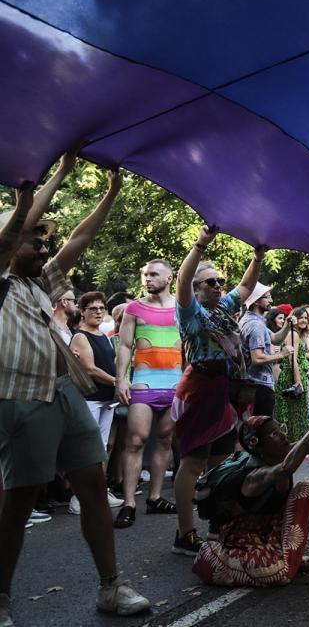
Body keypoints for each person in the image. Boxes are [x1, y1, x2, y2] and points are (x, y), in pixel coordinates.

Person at [0, 156, 150, 622]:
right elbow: (9, 235)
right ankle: (0, 599)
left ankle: (111, 587)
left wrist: (110, 192)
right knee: (20, 501)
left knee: (91, 484)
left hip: (64, 391)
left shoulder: (39, 282)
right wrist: (54, 176)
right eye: (35, 240)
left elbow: (78, 241)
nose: (45, 249)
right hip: (19, 397)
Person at [192, 391, 309, 587]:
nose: (283, 435)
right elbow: (286, 468)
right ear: (257, 445)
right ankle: (215, 554)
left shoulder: (282, 454)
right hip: (242, 542)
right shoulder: (256, 475)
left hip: (268, 534)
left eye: (280, 429)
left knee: (305, 489)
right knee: (276, 573)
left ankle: (285, 559)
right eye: (274, 434)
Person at [173, 226, 265, 556]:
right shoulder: (190, 312)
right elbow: (181, 283)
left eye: (218, 282)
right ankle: (185, 534)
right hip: (201, 390)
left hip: (226, 391)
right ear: (196, 290)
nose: (217, 286)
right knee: (194, 461)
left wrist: (258, 255)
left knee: (222, 460)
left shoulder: (223, 309)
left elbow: (245, 286)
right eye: (209, 282)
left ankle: (216, 522)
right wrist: (200, 245)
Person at [114, 259, 183, 528]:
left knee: (165, 440)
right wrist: (121, 380)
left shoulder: (182, 308)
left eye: (153, 274)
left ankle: (154, 498)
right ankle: (129, 503)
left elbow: (189, 347)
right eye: (145, 274)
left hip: (175, 385)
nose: (147, 279)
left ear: (169, 278)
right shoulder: (134, 308)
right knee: (136, 440)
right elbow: (124, 346)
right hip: (143, 384)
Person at [68, 291, 125, 514]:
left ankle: (99, 492)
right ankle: (77, 497)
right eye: (93, 308)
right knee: (86, 450)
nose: (99, 312)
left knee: (102, 448)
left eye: (102, 308)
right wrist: (117, 381)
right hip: (89, 398)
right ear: (82, 312)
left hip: (105, 399)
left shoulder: (102, 334)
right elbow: (89, 369)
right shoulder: (80, 336)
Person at [240, 283, 285, 418]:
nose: (271, 301)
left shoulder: (253, 320)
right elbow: (257, 358)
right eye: (267, 297)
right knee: (262, 431)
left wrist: (288, 325)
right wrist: (281, 354)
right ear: (256, 302)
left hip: (252, 384)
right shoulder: (255, 325)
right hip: (259, 387)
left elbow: (275, 338)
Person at [273, 307, 309, 445]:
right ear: (294, 318)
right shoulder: (293, 334)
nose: (303, 320)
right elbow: (292, 359)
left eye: (306, 318)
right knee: (293, 414)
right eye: (300, 317)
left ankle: (296, 445)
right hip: (291, 377)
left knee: (296, 412)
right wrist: (298, 381)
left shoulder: (297, 334)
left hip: (296, 375)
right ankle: (294, 446)